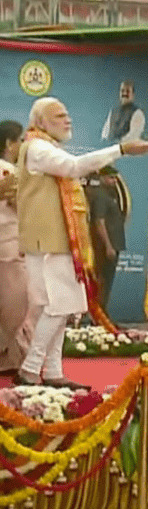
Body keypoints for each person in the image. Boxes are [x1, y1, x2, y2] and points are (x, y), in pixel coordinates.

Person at [16, 97, 148, 388]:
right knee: (60, 307)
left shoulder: (46, 148)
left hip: (55, 242)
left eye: (67, 114)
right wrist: (121, 149)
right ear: (41, 122)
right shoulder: (37, 148)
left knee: (58, 308)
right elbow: (74, 166)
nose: (68, 120)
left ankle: (53, 371)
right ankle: (30, 369)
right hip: (48, 243)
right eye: (59, 116)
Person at [0, 120, 31, 375]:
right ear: (10, 143)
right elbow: (22, 209)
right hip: (8, 246)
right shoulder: (9, 172)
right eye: (20, 140)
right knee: (15, 306)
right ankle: (14, 357)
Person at [85, 170, 126, 310]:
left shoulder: (111, 195)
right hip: (105, 246)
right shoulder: (100, 196)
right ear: (102, 178)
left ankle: (102, 311)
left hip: (115, 243)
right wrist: (108, 245)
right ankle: (98, 313)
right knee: (102, 281)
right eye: (110, 178)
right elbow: (99, 222)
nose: (114, 181)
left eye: (115, 178)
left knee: (107, 281)